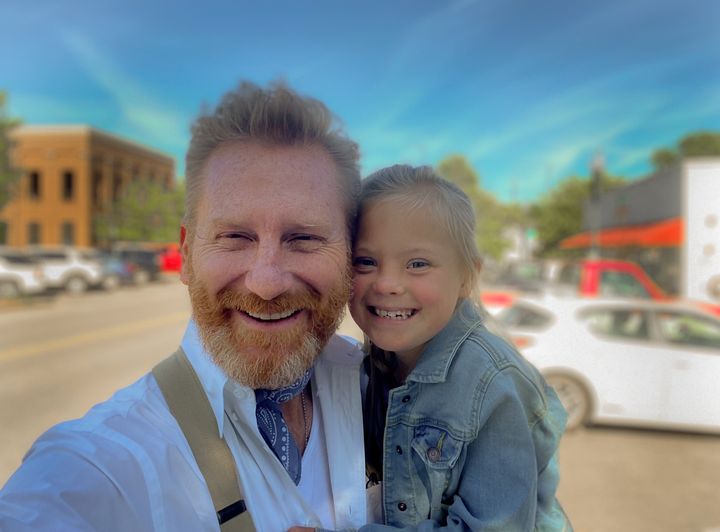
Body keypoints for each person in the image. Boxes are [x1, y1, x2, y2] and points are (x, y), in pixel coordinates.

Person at [0, 81, 369, 531]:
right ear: (187, 252)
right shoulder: (100, 466)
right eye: (235, 237)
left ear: (351, 253)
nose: (267, 282)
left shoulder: (383, 383)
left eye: (305, 238)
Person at [297, 164, 572, 530]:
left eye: (417, 263)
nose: (388, 284)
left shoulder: (495, 385)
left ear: (466, 277)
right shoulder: (373, 362)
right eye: (366, 262)